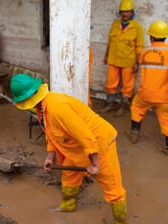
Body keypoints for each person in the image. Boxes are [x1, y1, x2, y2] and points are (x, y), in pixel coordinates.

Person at [10, 74, 127, 224]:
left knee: (111, 187)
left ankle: (120, 221)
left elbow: (85, 136)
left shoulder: (57, 108)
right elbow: (51, 134)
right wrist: (50, 157)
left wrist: (95, 163)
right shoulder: (41, 109)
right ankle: (68, 206)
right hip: (74, 147)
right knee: (69, 175)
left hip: (99, 143)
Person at [129, 20, 168, 157]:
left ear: (151, 37)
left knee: (136, 108)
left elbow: (139, 65)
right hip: (163, 98)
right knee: (166, 120)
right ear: (166, 36)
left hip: (145, 94)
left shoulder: (144, 52)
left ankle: (134, 133)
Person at [102, 0, 144, 117]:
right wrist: (106, 56)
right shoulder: (115, 24)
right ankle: (110, 104)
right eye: (123, 12)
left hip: (128, 61)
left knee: (127, 86)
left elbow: (139, 46)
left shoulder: (137, 27)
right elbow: (110, 42)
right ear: (120, 13)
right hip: (113, 59)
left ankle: (123, 106)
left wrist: (137, 62)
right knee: (110, 84)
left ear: (132, 13)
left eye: (127, 12)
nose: (125, 14)